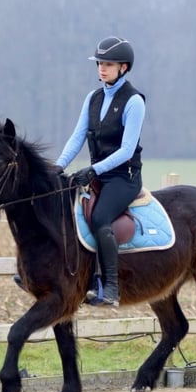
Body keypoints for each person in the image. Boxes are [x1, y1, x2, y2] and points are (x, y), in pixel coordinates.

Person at [56, 36, 146, 307]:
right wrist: (57, 167)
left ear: (124, 67)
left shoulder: (134, 102)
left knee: (100, 218)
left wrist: (93, 170)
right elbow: (77, 137)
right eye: (99, 63)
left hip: (123, 177)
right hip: (97, 176)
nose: (101, 68)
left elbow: (127, 150)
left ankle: (111, 288)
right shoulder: (93, 98)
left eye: (108, 64)